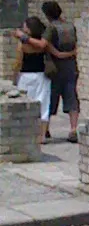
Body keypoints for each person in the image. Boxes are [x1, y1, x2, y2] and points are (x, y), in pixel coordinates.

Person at [41, 0, 80, 143]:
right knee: (72, 97)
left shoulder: (51, 28)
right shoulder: (70, 26)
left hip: (55, 68)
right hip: (71, 67)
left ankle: (45, 129)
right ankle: (73, 129)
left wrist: (56, 52)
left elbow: (44, 44)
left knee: (51, 98)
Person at [9, 16, 51, 144]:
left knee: (24, 105)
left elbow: (18, 62)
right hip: (42, 76)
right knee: (43, 105)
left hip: (26, 76)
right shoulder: (42, 42)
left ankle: (25, 133)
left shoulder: (23, 44)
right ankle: (42, 135)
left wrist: (14, 76)